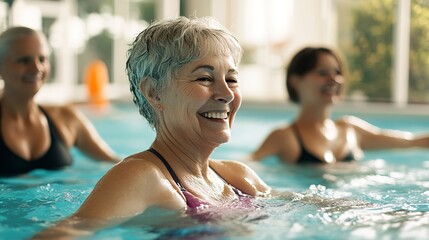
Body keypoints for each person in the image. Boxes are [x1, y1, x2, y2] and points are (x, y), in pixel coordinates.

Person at [33, 16, 270, 238]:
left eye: (231, 79)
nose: (227, 94)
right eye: (205, 78)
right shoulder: (141, 177)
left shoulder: (239, 177)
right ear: (154, 93)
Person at [251, 47, 429, 164]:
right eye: (322, 73)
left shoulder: (351, 129)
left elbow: (411, 142)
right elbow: (246, 167)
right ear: (296, 81)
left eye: (337, 73)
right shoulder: (284, 137)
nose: (334, 80)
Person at [0, 26, 120, 176]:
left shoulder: (65, 119)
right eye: (24, 60)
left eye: (42, 59)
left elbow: (116, 163)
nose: (37, 68)